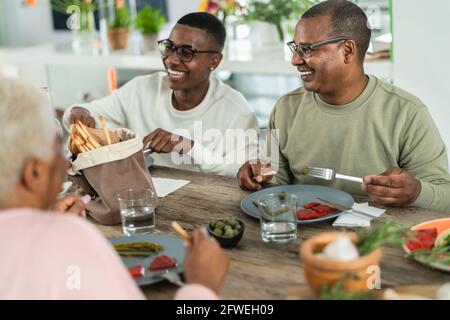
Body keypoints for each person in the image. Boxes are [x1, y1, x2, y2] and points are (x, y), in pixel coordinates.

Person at [0, 77, 229, 299]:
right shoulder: (70, 238)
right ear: (34, 173)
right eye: (59, 147)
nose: (66, 161)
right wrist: (202, 286)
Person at [237, 0, 450, 212]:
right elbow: (273, 179)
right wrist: (256, 175)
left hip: (377, 238)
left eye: (307, 49)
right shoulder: (286, 108)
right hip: (302, 232)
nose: (294, 60)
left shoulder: (406, 112)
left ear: (347, 50)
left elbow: (445, 195)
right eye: (295, 48)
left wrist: (416, 191)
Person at [64, 12, 259, 177]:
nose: (172, 60)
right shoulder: (142, 88)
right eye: (169, 47)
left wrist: (189, 147)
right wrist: (79, 112)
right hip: (144, 198)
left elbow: (244, 173)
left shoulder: (236, 111)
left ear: (214, 61)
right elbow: (89, 112)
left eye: (186, 53)